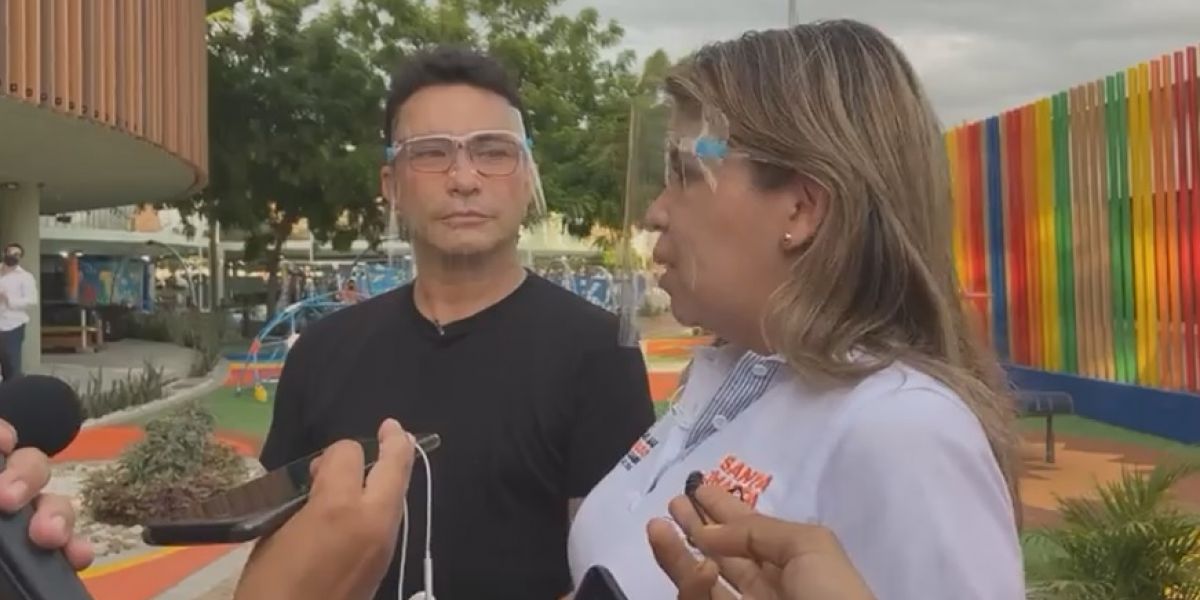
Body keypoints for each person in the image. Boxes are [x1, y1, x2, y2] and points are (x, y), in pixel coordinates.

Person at [565, 19, 1024, 598]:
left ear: (801, 209)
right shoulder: (725, 378)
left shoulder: (901, 429)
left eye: (684, 173)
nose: (655, 211)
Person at [256, 45, 654, 600]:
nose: (464, 178)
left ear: (526, 176)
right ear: (391, 184)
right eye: (432, 153)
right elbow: (281, 550)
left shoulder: (598, 352)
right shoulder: (319, 353)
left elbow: (607, 574)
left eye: (493, 152)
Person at [0, 243, 37, 379]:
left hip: (13, 326)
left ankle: (12, 396)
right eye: (11, 253)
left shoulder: (25, 277)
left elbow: (32, 300)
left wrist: (8, 300)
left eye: (17, 255)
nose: (13, 256)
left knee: (12, 366)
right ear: (4, 253)